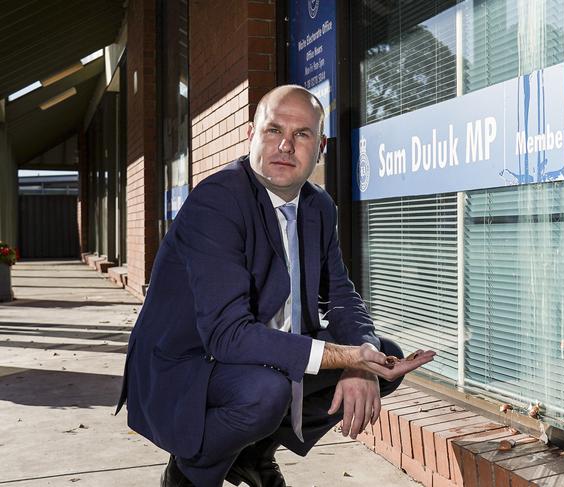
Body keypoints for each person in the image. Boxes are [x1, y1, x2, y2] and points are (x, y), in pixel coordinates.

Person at [116, 85, 435, 487]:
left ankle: (252, 454)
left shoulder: (319, 205)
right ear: (251, 134)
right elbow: (226, 336)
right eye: (273, 130)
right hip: (188, 361)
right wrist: (347, 356)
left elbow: (340, 295)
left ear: (320, 147)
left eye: (301, 134)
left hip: (260, 349)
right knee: (264, 393)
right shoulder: (217, 201)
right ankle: (187, 471)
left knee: (385, 358)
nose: (285, 145)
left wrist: (363, 357)